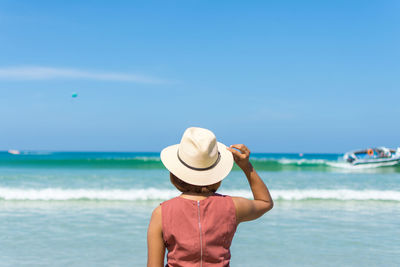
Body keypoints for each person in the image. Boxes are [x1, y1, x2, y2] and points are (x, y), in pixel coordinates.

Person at [147, 127, 273, 267]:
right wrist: (246, 167)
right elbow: (265, 202)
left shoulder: (161, 213)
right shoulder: (233, 206)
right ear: (216, 172)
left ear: (176, 173)